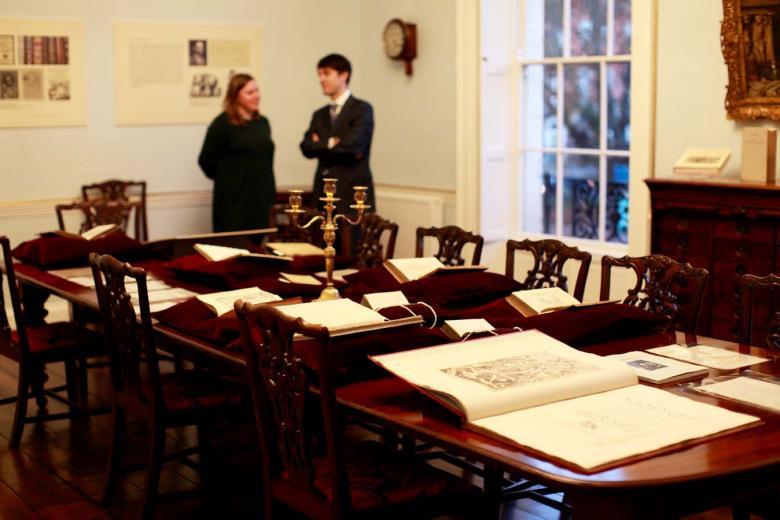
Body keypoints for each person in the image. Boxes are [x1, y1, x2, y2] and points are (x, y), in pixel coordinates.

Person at [300, 53, 376, 226]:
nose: (321, 79)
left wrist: (320, 145)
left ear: (344, 75)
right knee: (321, 250)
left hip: (351, 195)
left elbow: (352, 148)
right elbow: (306, 147)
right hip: (322, 196)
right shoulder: (319, 115)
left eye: (326, 73)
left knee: (351, 251)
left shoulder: (362, 109)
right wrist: (331, 142)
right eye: (319, 74)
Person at [198, 73, 276, 232]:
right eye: (250, 92)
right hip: (234, 202)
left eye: (257, 90)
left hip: (262, 198)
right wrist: (228, 178)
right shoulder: (222, 124)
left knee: (259, 249)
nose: (257, 96)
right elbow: (205, 160)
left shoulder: (263, 123)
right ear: (236, 97)